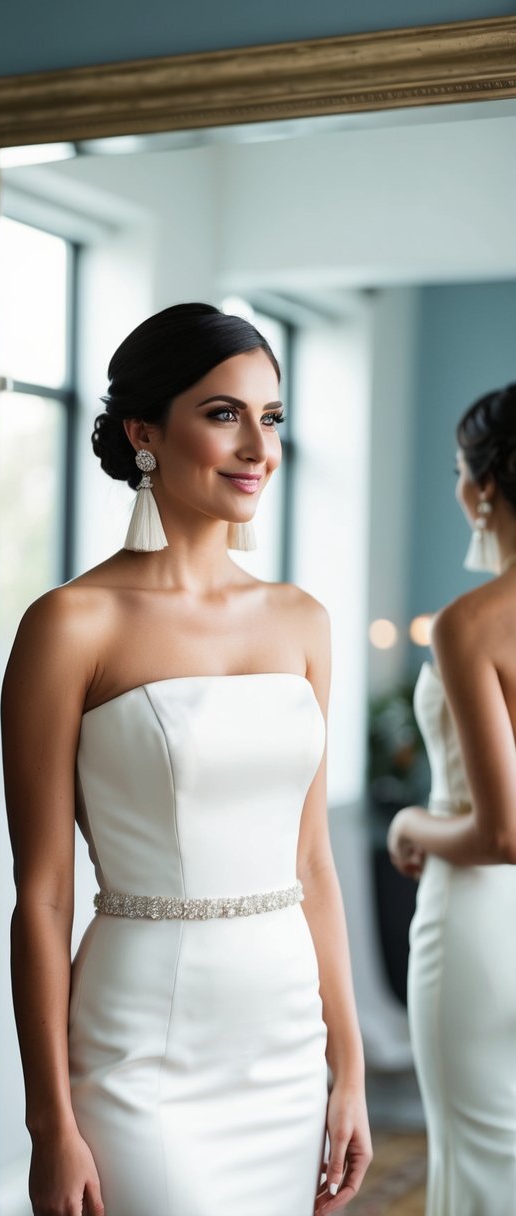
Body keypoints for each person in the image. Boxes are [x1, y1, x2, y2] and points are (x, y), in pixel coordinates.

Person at [2, 302, 371, 1216]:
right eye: (222, 414)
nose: (257, 446)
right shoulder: (70, 625)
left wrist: (349, 1069)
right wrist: (50, 1125)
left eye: (271, 417)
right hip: (144, 1043)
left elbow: (313, 865)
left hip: (284, 1039)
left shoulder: (302, 620)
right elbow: (43, 895)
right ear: (143, 433)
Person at [388, 383, 516, 1216]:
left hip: (481, 922)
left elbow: (502, 833)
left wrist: (409, 823)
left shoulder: (471, 623)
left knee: (481, 1159)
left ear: (481, 490)